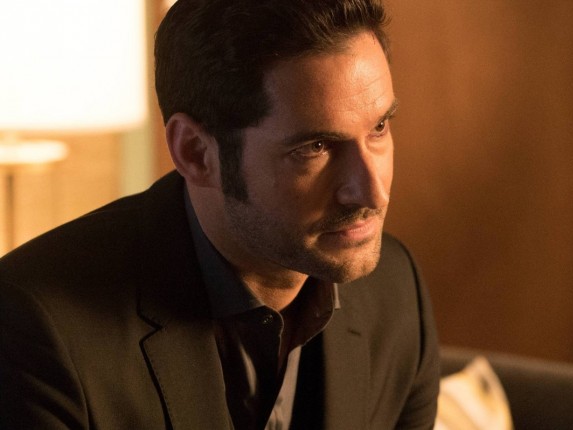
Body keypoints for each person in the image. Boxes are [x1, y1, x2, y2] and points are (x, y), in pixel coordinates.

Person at [0, 0, 440, 428]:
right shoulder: (35, 327)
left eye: (379, 127)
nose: (372, 191)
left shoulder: (395, 288)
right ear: (195, 153)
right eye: (316, 147)